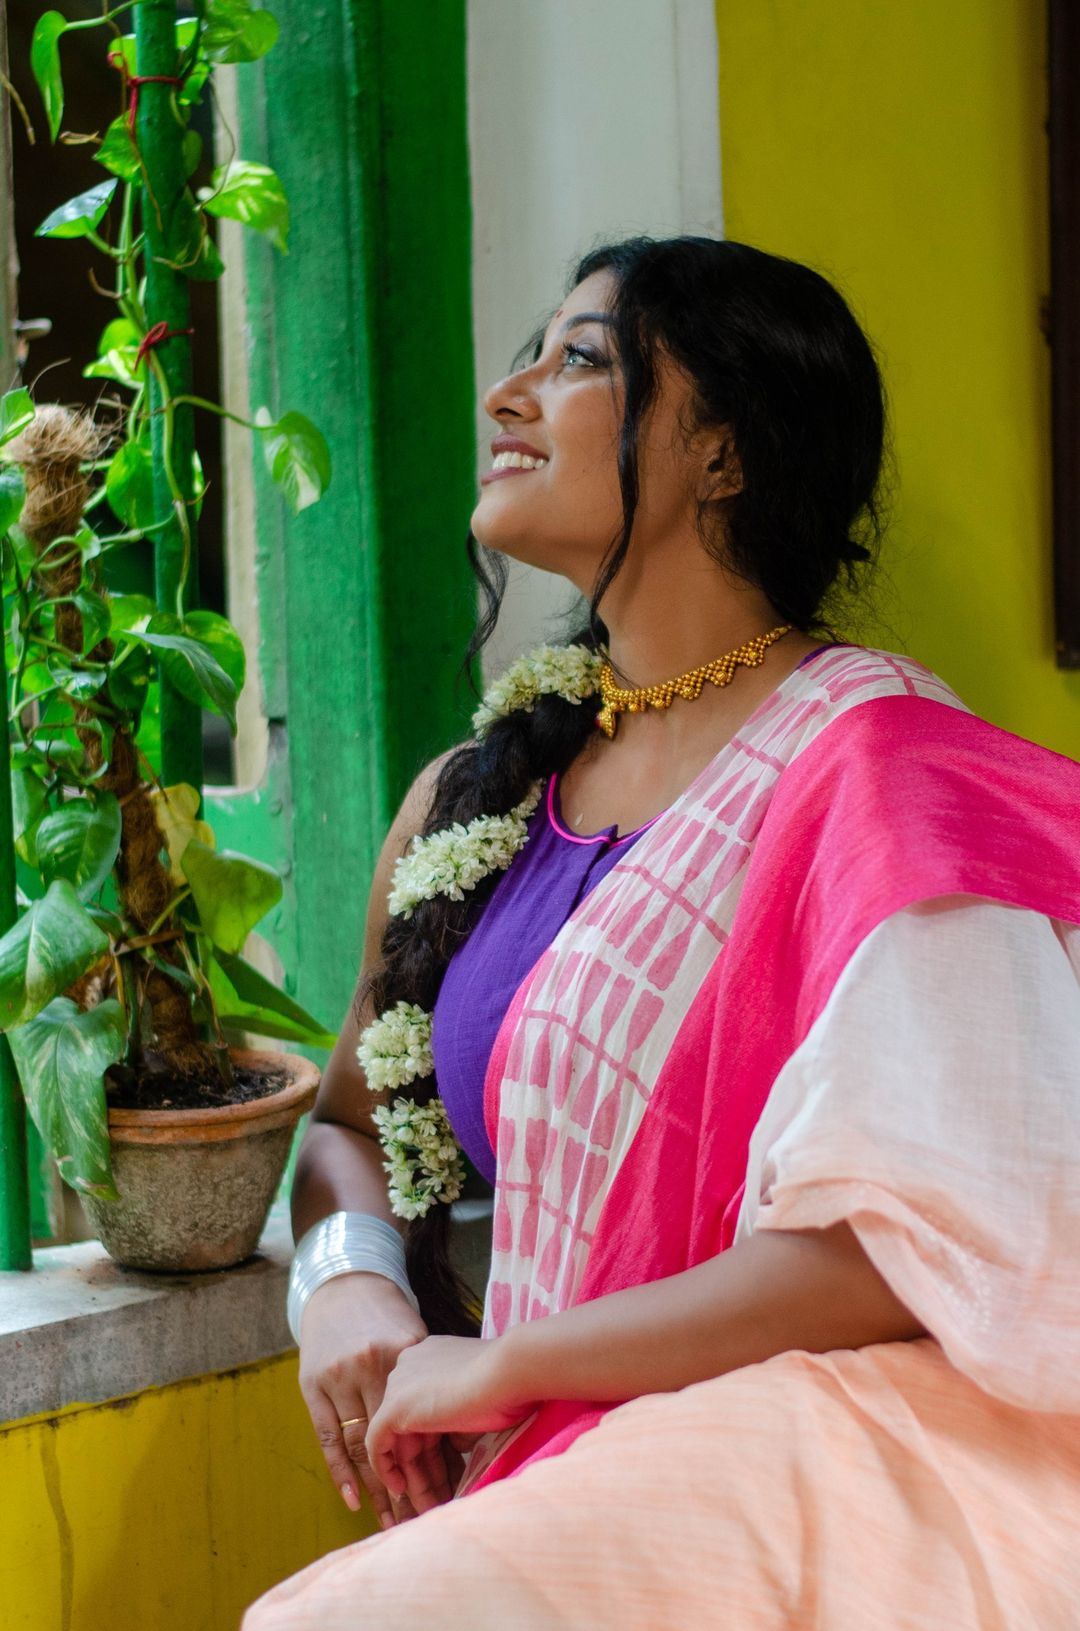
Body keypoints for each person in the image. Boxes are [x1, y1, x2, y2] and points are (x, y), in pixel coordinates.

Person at [246, 237, 1080, 1629]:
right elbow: (344, 1120)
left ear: (725, 457)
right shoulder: (480, 794)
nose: (510, 394)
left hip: (794, 1476)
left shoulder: (880, 771)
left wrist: (509, 1368)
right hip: (555, 1467)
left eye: (580, 361)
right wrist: (345, 1287)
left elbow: (905, 1250)